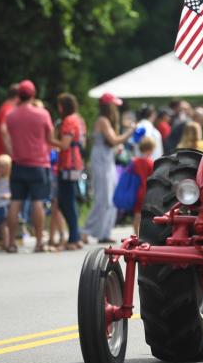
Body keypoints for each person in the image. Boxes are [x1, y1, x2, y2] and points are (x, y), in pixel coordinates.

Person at [3, 80, 60, 253]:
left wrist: (13, 152)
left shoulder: (11, 115)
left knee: (15, 202)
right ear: (33, 95)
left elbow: (7, 135)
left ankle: (11, 242)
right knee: (38, 202)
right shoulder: (42, 114)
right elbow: (50, 139)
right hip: (39, 164)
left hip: (18, 163)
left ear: (19, 95)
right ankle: (38, 243)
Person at [82, 93, 134, 244]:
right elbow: (113, 139)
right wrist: (130, 131)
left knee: (112, 197)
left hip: (107, 160)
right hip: (101, 161)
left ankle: (104, 232)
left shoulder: (106, 121)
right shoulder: (103, 120)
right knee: (102, 198)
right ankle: (86, 231)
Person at [55, 92, 86, 250]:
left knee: (66, 201)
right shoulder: (79, 119)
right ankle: (76, 236)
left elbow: (65, 144)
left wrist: (48, 140)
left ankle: (74, 237)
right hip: (77, 161)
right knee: (70, 199)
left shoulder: (68, 120)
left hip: (68, 163)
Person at [130, 138, 157, 235]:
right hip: (147, 191)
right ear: (150, 149)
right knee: (148, 215)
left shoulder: (135, 161)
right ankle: (145, 234)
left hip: (137, 191)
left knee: (137, 215)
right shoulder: (150, 162)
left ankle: (136, 234)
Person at [0, 83, 19, 158]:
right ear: (18, 97)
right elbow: (4, 131)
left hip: (1, 156)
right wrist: (11, 154)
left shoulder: (4, 107)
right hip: (5, 158)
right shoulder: (9, 111)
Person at [0, 154, 12, 251]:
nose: (0, 169)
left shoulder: (10, 179)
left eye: (3, 166)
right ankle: (3, 242)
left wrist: (7, 196)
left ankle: (7, 243)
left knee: (4, 224)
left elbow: (14, 192)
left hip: (6, 204)